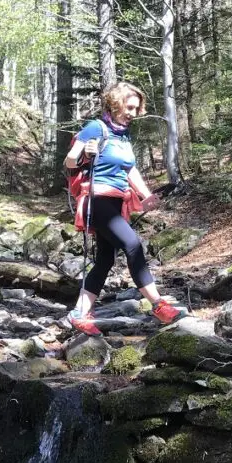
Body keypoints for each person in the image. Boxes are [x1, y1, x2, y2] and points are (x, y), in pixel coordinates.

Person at [64, 81, 184, 335]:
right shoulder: (96, 128)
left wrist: (146, 195)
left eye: (136, 108)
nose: (133, 112)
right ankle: (158, 305)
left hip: (117, 201)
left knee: (105, 259)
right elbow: (70, 160)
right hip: (97, 200)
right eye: (129, 107)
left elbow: (129, 168)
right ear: (115, 104)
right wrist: (85, 152)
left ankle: (79, 313)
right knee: (133, 245)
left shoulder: (123, 134)